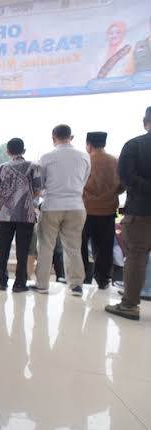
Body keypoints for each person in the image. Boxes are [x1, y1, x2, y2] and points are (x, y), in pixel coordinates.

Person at [30, 125, 91, 296]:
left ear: (53, 137)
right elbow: (84, 180)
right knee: (73, 246)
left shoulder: (47, 157)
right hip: (76, 206)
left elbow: (40, 184)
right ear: (71, 137)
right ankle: (76, 285)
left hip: (52, 205)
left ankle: (42, 284)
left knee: (45, 246)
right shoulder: (84, 156)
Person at [106, 107, 151, 321]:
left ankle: (130, 305)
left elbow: (125, 178)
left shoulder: (134, 146)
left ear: (145, 121)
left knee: (136, 256)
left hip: (140, 211)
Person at [0, 138, 42, 292]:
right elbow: (38, 191)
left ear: (8, 151)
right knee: (23, 250)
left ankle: (2, 281)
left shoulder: (1, 168)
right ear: (24, 150)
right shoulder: (34, 166)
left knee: (4, 248)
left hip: (4, 216)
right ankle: (20, 283)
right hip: (25, 215)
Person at [81, 132, 123, 290]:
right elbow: (122, 186)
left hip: (86, 210)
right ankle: (103, 279)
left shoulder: (86, 160)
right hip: (108, 210)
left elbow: (79, 182)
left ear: (89, 144)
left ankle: (82, 276)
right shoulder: (115, 161)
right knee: (105, 248)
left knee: (81, 245)